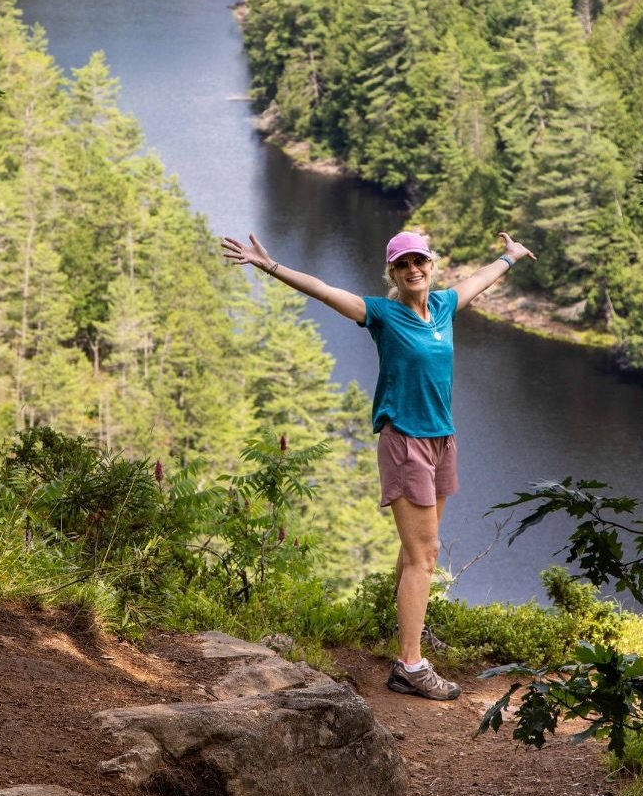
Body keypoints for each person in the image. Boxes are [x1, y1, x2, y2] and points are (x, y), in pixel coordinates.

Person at [221, 227, 536, 701]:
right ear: (392, 272)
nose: (413, 270)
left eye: (420, 262)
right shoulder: (382, 314)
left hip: (442, 441)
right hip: (405, 442)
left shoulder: (445, 306)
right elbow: (326, 291)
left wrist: (509, 257)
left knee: (416, 551)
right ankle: (410, 664)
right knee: (423, 556)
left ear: (431, 265)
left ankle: (402, 632)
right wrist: (270, 265)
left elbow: (479, 280)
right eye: (403, 264)